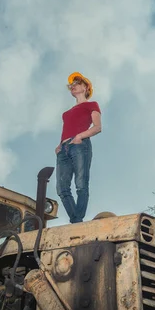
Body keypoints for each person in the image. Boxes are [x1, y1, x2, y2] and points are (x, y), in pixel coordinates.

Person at [55, 72, 102, 223]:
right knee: (62, 189)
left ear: (85, 87)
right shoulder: (66, 113)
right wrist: (59, 145)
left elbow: (97, 127)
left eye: (76, 84)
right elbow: (67, 129)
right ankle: (77, 220)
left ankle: (76, 221)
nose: (73, 87)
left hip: (80, 145)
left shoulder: (91, 105)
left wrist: (80, 136)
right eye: (71, 86)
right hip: (64, 149)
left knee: (81, 185)